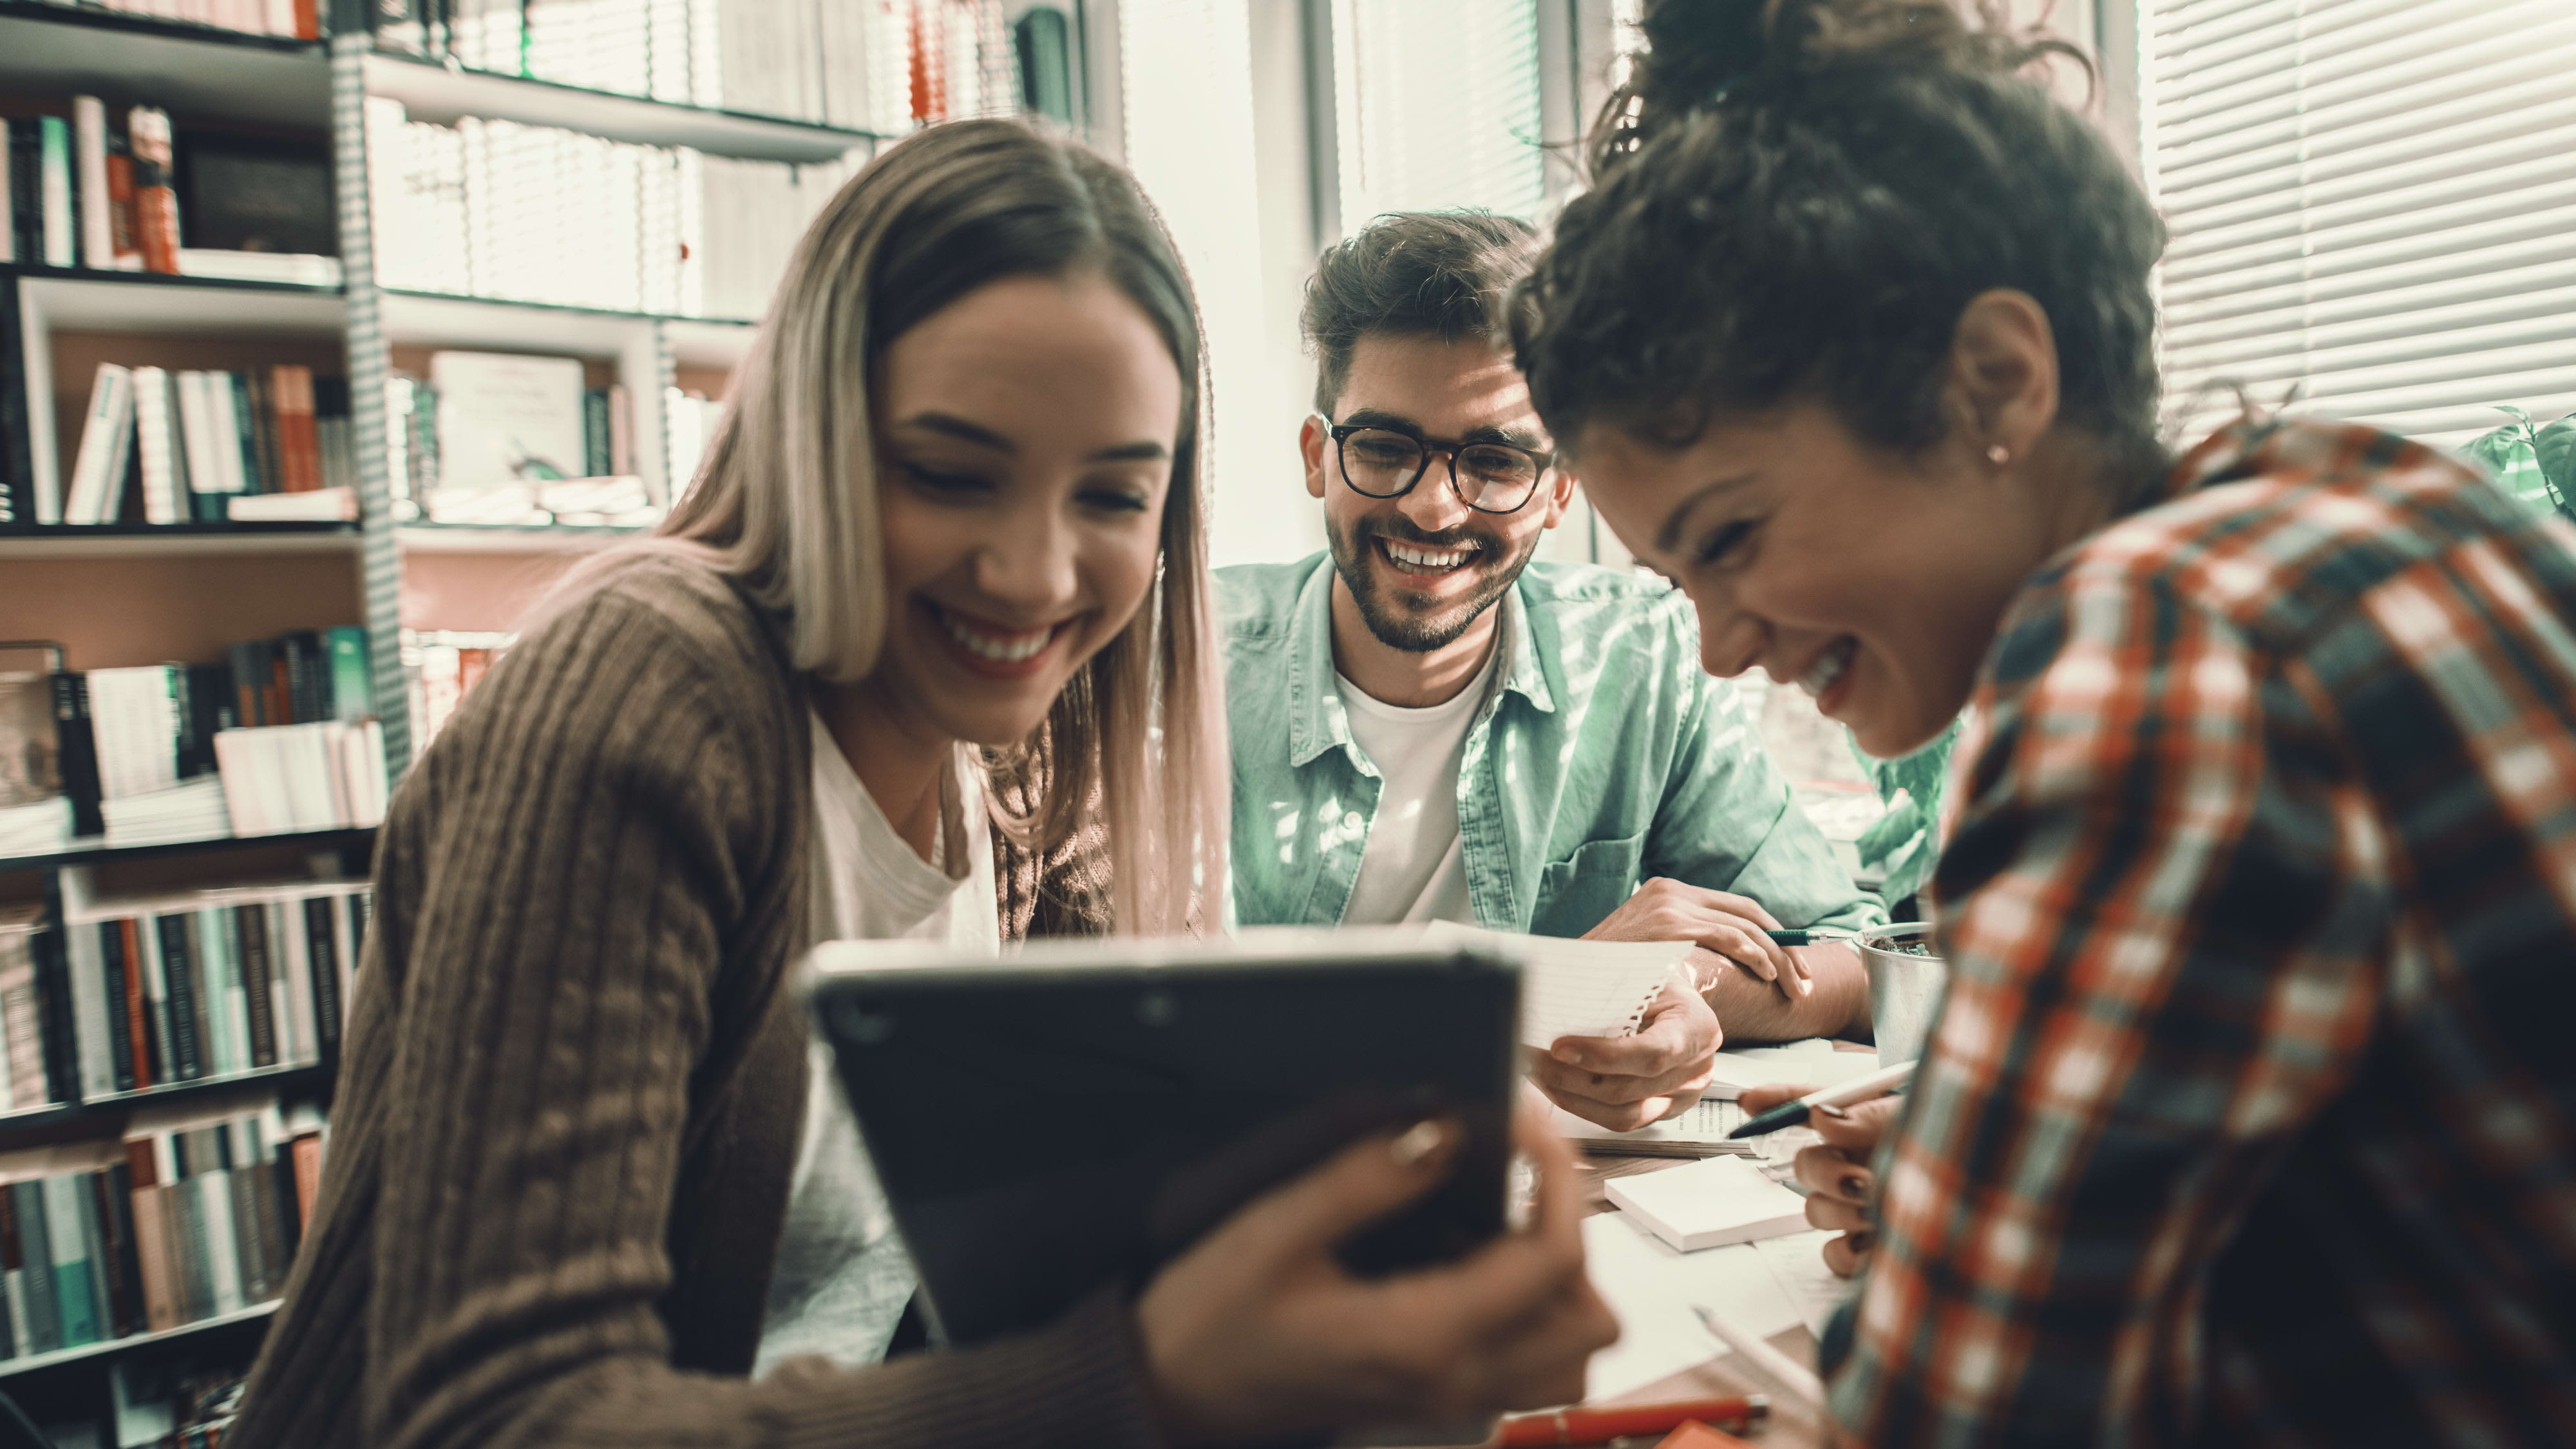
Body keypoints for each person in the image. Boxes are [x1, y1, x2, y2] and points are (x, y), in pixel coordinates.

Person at [232, 119, 1615, 1449]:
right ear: (813, 440)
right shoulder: (648, 694)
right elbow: (497, 1423)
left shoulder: (1020, 752)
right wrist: (1145, 1387)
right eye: (952, 475)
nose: (1031, 574)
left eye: (1112, 497)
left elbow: (1028, 1288)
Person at [1510, 1, 2576, 1444]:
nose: (1719, 641)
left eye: (1734, 534)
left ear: (1992, 382)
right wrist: (2004, 1156)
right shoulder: (2378, 498)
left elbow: (1953, 1417)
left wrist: (1970, 1229)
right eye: (1672, 579)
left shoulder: (2155, 645)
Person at [1222, 211, 1884, 1132]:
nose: (1432, 505)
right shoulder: (1185, 670)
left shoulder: (1644, 656)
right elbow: (1139, 1027)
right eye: (1382, 448)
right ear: (1316, 458)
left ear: (1559, 489)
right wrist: (1551, 989)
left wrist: (1675, 987)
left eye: (1492, 461)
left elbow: (1848, 956)